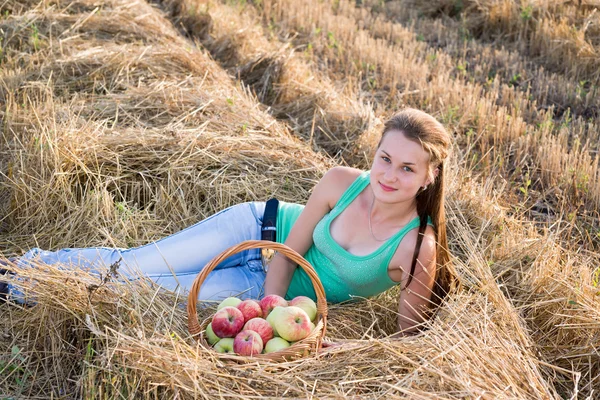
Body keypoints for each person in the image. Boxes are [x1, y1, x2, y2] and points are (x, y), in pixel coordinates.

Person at [0, 108, 458, 335]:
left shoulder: (415, 248)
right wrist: (271, 302)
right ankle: (21, 270)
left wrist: (272, 319)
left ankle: (30, 284)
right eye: (385, 159)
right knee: (136, 263)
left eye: (407, 168)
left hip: (266, 292)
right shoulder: (342, 182)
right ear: (375, 153)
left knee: (147, 290)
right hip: (257, 231)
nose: (388, 176)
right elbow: (292, 248)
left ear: (428, 177)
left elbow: (404, 341)